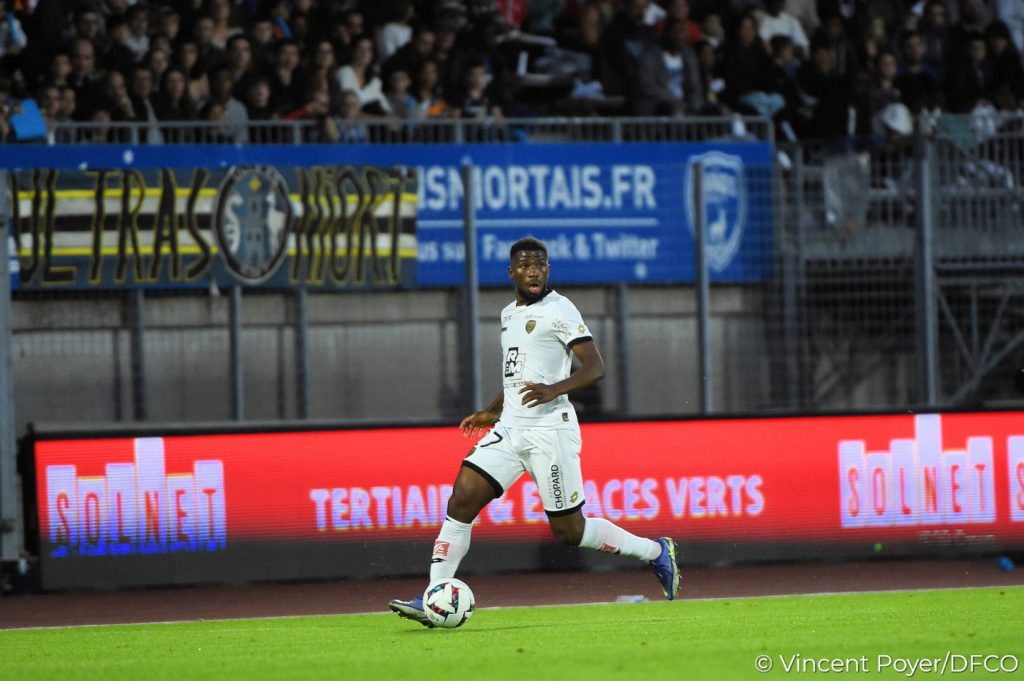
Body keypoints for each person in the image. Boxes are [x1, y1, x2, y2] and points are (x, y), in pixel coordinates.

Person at [388, 237, 681, 627]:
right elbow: (517, 375)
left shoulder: (560, 309)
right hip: (510, 430)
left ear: (547, 269)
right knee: (462, 499)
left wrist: (553, 390)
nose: (534, 271)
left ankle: (654, 551)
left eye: (540, 265)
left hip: (549, 432)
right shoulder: (508, 314)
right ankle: (434, 595)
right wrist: (492, 411)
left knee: (570, 531)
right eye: (526, 265)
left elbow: (595, 367)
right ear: (512, 272)